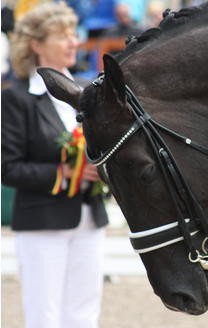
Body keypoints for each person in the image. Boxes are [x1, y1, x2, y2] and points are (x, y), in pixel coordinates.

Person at [1, 3, 108, 328]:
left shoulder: (88, 93)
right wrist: (62, 174)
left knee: (85, 313)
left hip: (89, 217)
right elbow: (8, 167)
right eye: (62, 36)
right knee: (44, 316)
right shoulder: (17, 98)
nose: (74, 42)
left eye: (73, 34)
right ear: (36, 44)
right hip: (42, 221)